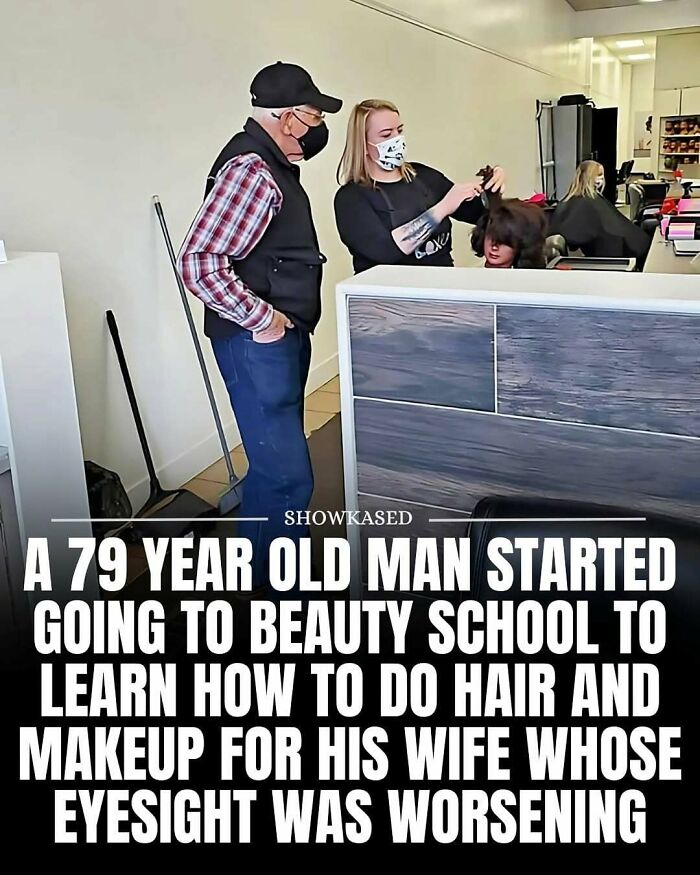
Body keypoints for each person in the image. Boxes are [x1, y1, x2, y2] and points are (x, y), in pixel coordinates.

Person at [177, 62, 342, 590]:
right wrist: (264, 320)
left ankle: (264, 572)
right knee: (287, 476)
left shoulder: (272, 166)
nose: (319, 129)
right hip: (257, 343)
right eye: (314, 116)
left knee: (273, 466)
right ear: (288, 118)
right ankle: (279, 594)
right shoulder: (252, 170)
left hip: (275, 340)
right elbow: (198, 262)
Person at [333, 99, 506, 273]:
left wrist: (492, 186)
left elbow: (479, 215)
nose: (396, 139)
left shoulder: (424, 177)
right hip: (389, 288)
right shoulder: (351, 198)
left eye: (399, 131)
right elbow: (385, 251)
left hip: (442, 283)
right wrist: (443, 208)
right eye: (386, 135)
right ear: (363, 144)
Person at [549, 160, 651, 264]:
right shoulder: (584, 202)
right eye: (597, 176)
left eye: (601, 176)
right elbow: (581, 233)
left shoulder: (589, 199)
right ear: (586, 176)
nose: (600, 180)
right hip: (617, 252)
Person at [471, 199, 547, 269]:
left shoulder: (530, 278)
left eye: (504, 241)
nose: (494, 247)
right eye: (491, 237)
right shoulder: (470, 275)